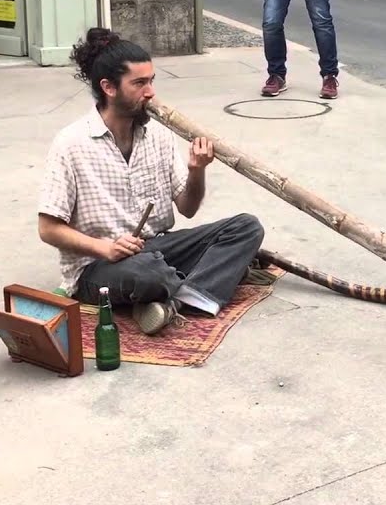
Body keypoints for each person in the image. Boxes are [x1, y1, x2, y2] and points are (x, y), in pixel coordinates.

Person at [38, 28, 266, 334]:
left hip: (156, 247)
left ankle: (175, 302)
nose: (150, 93)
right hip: (100, 266)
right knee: (149, 273)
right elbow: (48, 229)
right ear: (109, 87)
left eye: (151, 82)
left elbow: (187, 208)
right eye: (139, 84)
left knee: (246, 227)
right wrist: (105, 249)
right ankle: (201, 283)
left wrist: (197, 170)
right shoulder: (71, 143)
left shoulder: (158, 133)